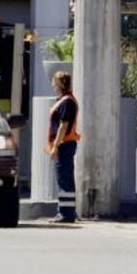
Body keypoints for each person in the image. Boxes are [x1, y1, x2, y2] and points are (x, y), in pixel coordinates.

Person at [47, 71, 80, 223]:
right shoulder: (64, 100)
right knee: (65, 178)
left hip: (64, 145)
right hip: (65, 144)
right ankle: (67, 212)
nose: (52, 85)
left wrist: (55, 146)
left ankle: (66, 214)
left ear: (60, 83)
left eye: (54, 82)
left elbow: (63, 125)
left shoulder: (67, 101)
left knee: (64, 179)